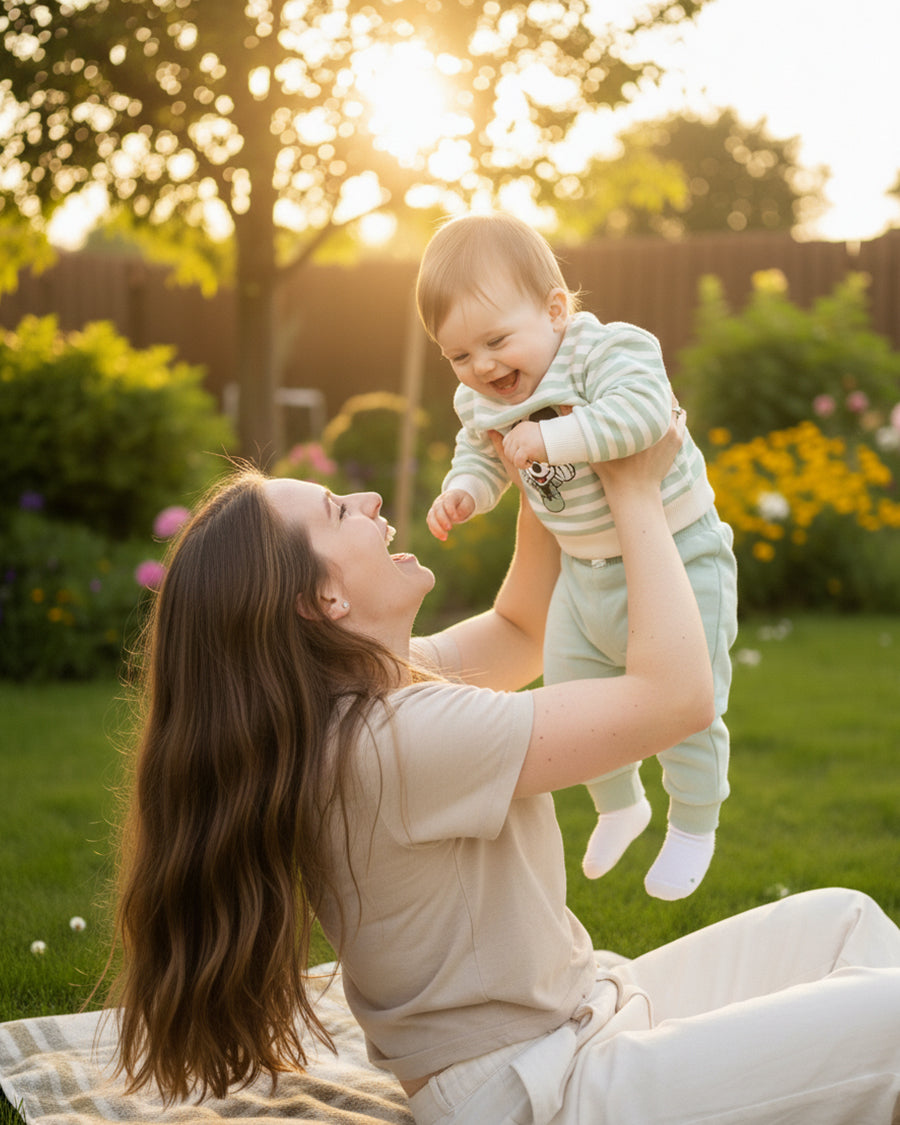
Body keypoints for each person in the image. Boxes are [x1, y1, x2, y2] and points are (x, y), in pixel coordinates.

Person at [107, 422, 900, 1124]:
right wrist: (635, 494)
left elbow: (520, 631)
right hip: (547, 1093)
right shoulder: (395, 740)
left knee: (843, 918)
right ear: (324, 598)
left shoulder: (374, 689)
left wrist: (543, 459)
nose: (371, 499)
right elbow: (677, 698)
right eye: (338, 511)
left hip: (579, 1021)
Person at [417, 210, 738, 900]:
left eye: (497, 341)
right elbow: (482, 451)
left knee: (692, 700)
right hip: (584, 568)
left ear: (556, 310)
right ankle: (621, 804)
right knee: (572, 690)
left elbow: (645, 415)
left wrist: (554, 441)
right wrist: (465, 493)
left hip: (680, 551)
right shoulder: (481, 397)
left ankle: (694, 818)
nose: (483, 367)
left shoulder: (606, 350)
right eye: (459, 355)